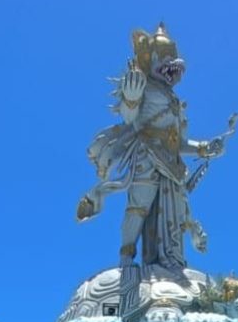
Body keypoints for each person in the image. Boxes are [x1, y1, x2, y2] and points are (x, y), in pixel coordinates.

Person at [76, 23, 225, 270]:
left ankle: (170, 258)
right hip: (147, 155)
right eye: (163, 58)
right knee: (139, 207)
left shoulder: (174, 100)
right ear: (150, 59)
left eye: (172, 60)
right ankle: (126, 257)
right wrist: (131, 98)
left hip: (172, 164)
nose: (170, 66)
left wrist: (203, 147)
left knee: (176, 214)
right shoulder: (143, 86)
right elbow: (129, 117)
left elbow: (177, 142)